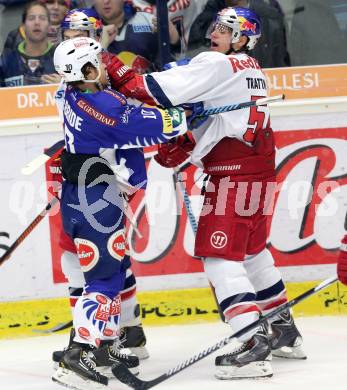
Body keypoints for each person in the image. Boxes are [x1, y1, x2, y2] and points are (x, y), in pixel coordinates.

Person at [104, 6, 306, 380]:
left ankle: (251, 341)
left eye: (225, 30)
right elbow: (210, 116)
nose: (215, 33)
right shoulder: (250, 69)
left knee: (218, 258)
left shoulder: (216, 64)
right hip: (259, 167)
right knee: (252, 252)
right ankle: (283, 330)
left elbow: (146, 90)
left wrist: (104, 59)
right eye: (215, 26)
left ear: (242, 39)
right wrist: (184, 140)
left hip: (234, 174)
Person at [52, 36, 187, 389]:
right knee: (106, 279)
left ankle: (103, 346)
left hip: (79, 195)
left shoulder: (67, 94)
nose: (105, 68)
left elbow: (121, 124)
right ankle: (76, 355)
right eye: (97, 62)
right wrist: (185, 112)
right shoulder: (106, 106)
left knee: (111, 270)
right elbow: (160, 125)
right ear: (85, 69)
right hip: (98, 200)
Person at [52, 7, 149, 364]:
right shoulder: (77, 85)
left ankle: (111, 335)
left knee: (107, 265)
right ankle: (93, 342)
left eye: (84, 32)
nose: (75, 37)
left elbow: (131, 121)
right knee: (94, 264)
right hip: (90, 186)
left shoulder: (110, 76)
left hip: (101, 183)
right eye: (70, 32)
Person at [0, 1, 60, 86]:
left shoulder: (61, 59)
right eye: (31, 18)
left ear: (49, 26)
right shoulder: (6, 61)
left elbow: (80, 95)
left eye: (42, 18)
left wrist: (65, 87)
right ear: (23, 26)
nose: (37, 23)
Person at [94, 0, 161, 73]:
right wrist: (101, 46)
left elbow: (171, 59)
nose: (106, 1)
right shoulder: (84, 32)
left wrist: (174, 39)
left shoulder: (149, 21)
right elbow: (87, 75)